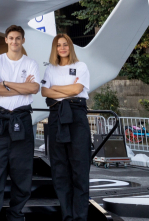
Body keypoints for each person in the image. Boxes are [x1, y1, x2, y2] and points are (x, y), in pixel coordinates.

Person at [0, 25, 40, 221]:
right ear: (6, 40)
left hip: (22, 119)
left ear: (23, 40)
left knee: (22, 172)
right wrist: (22, 87)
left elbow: (34, 88)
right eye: (11, 38)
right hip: (0, 121)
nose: (14, 41)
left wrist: (7, 83)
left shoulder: (30, 63)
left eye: (18, 38)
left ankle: (16, 214)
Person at [41, 34, 91, 221]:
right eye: (58, 45)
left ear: (70, 46)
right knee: (60, 169)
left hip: (76, 116)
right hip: (56, 117)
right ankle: (67, 216)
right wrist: (67, 88)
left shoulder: (81, 66)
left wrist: (56, 88)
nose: (62, 48)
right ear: (55, 48)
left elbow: (77, 90)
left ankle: (80, 217)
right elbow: (44, 91)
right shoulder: (50, 69)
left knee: (80, 168)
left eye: (65, 44)